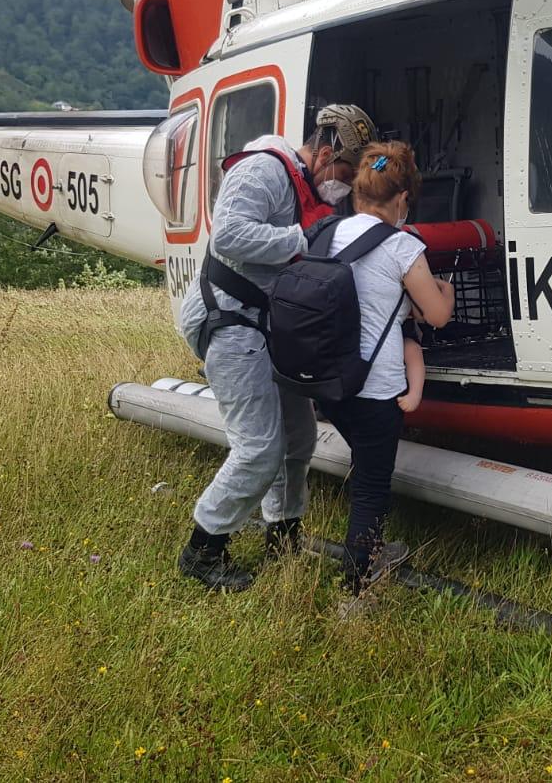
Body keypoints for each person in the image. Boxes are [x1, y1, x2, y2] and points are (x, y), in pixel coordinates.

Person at [175, 104, 377, 592]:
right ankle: (203, 550)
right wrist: (301, 239)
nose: (346, 187)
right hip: (232, 323)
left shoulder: (306, 188)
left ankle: (282, 536)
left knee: (299, 439)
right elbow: (229, 234)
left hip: (271, 329)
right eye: (347, 173)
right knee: (260, 448)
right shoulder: (263, 169)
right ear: (326, 152)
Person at [316, 142, 453, 606]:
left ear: (357, 196)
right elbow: (435, 315)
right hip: (376, 391)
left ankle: (370, 552)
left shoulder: (327, 233)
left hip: (329, 385)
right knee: (372, 491)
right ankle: (356, 591)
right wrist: (447, 294)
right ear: (401, 201)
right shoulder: (401, 245)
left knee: (366, 468)